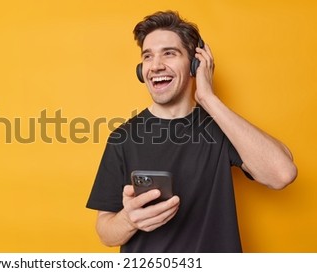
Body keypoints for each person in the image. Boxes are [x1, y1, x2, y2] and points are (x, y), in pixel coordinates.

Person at [86, 10, 297, 252]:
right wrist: (129, 219)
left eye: (169, 53)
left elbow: (282, 174)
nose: (155, 65)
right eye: (147, 56)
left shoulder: (221, 128)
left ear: (195, 64)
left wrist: (208, 98)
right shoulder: (122, 138)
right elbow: (106, 232)